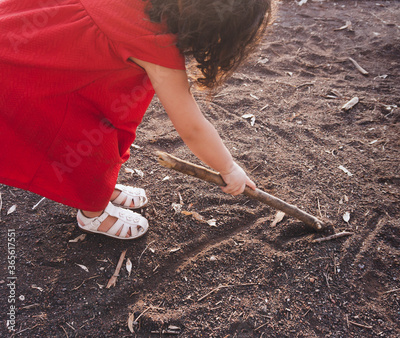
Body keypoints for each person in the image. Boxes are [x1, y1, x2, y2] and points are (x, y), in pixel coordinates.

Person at [0, 0, 272, 239]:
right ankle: (94, 213)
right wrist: (228, 168)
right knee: (85, 134)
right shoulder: (156, 44)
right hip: (25, 75)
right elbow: (192, 127)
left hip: (26, 35)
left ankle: (100, 189)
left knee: (94, 125)